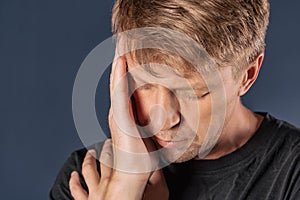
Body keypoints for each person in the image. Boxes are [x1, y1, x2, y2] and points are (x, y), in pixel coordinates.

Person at [50, 0, 300, 199]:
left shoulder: (292, 174)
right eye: (144, 83)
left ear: (247, 75)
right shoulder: (86, 178)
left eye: (192, 93)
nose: (162, 120)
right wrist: (124, 187)